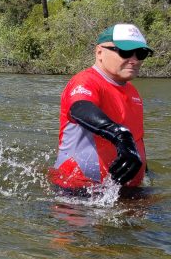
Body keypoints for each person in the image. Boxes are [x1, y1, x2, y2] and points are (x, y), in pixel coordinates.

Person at [50, 23, 153, 192]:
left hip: (125, 192)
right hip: (79, 193)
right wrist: (120, 134)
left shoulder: (132, 91)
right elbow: (79, 108)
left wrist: (145, 173)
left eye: (141, 53)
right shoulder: (86, 81)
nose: (134, 60)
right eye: (125, 52)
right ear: (99, 52)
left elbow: (136, 140)